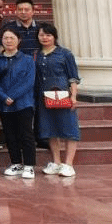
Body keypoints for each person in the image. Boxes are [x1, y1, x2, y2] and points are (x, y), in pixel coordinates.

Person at [35, 24, 81, 177]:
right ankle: (56, 162)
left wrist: (73, 96)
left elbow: (73, 77)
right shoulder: (37, 54)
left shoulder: (65, 54)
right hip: (44, 96)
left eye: (48, 35)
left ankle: (69, 164)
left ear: (54, 36)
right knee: (50, 129)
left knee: (69, 129)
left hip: (62, 95)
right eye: (41, 35)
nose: (45, 38)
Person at [0, 29, 36, 179]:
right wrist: (3, 96)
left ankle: (29, 166)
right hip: (4, 104)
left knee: (26, 134)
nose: (8, 41)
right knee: (10, 134)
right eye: (5, 38)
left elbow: (29, 81)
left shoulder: (27, 59)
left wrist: (13, 96)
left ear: (19, 40)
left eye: (12, 38)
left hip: (23, 103)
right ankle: (16, 163)